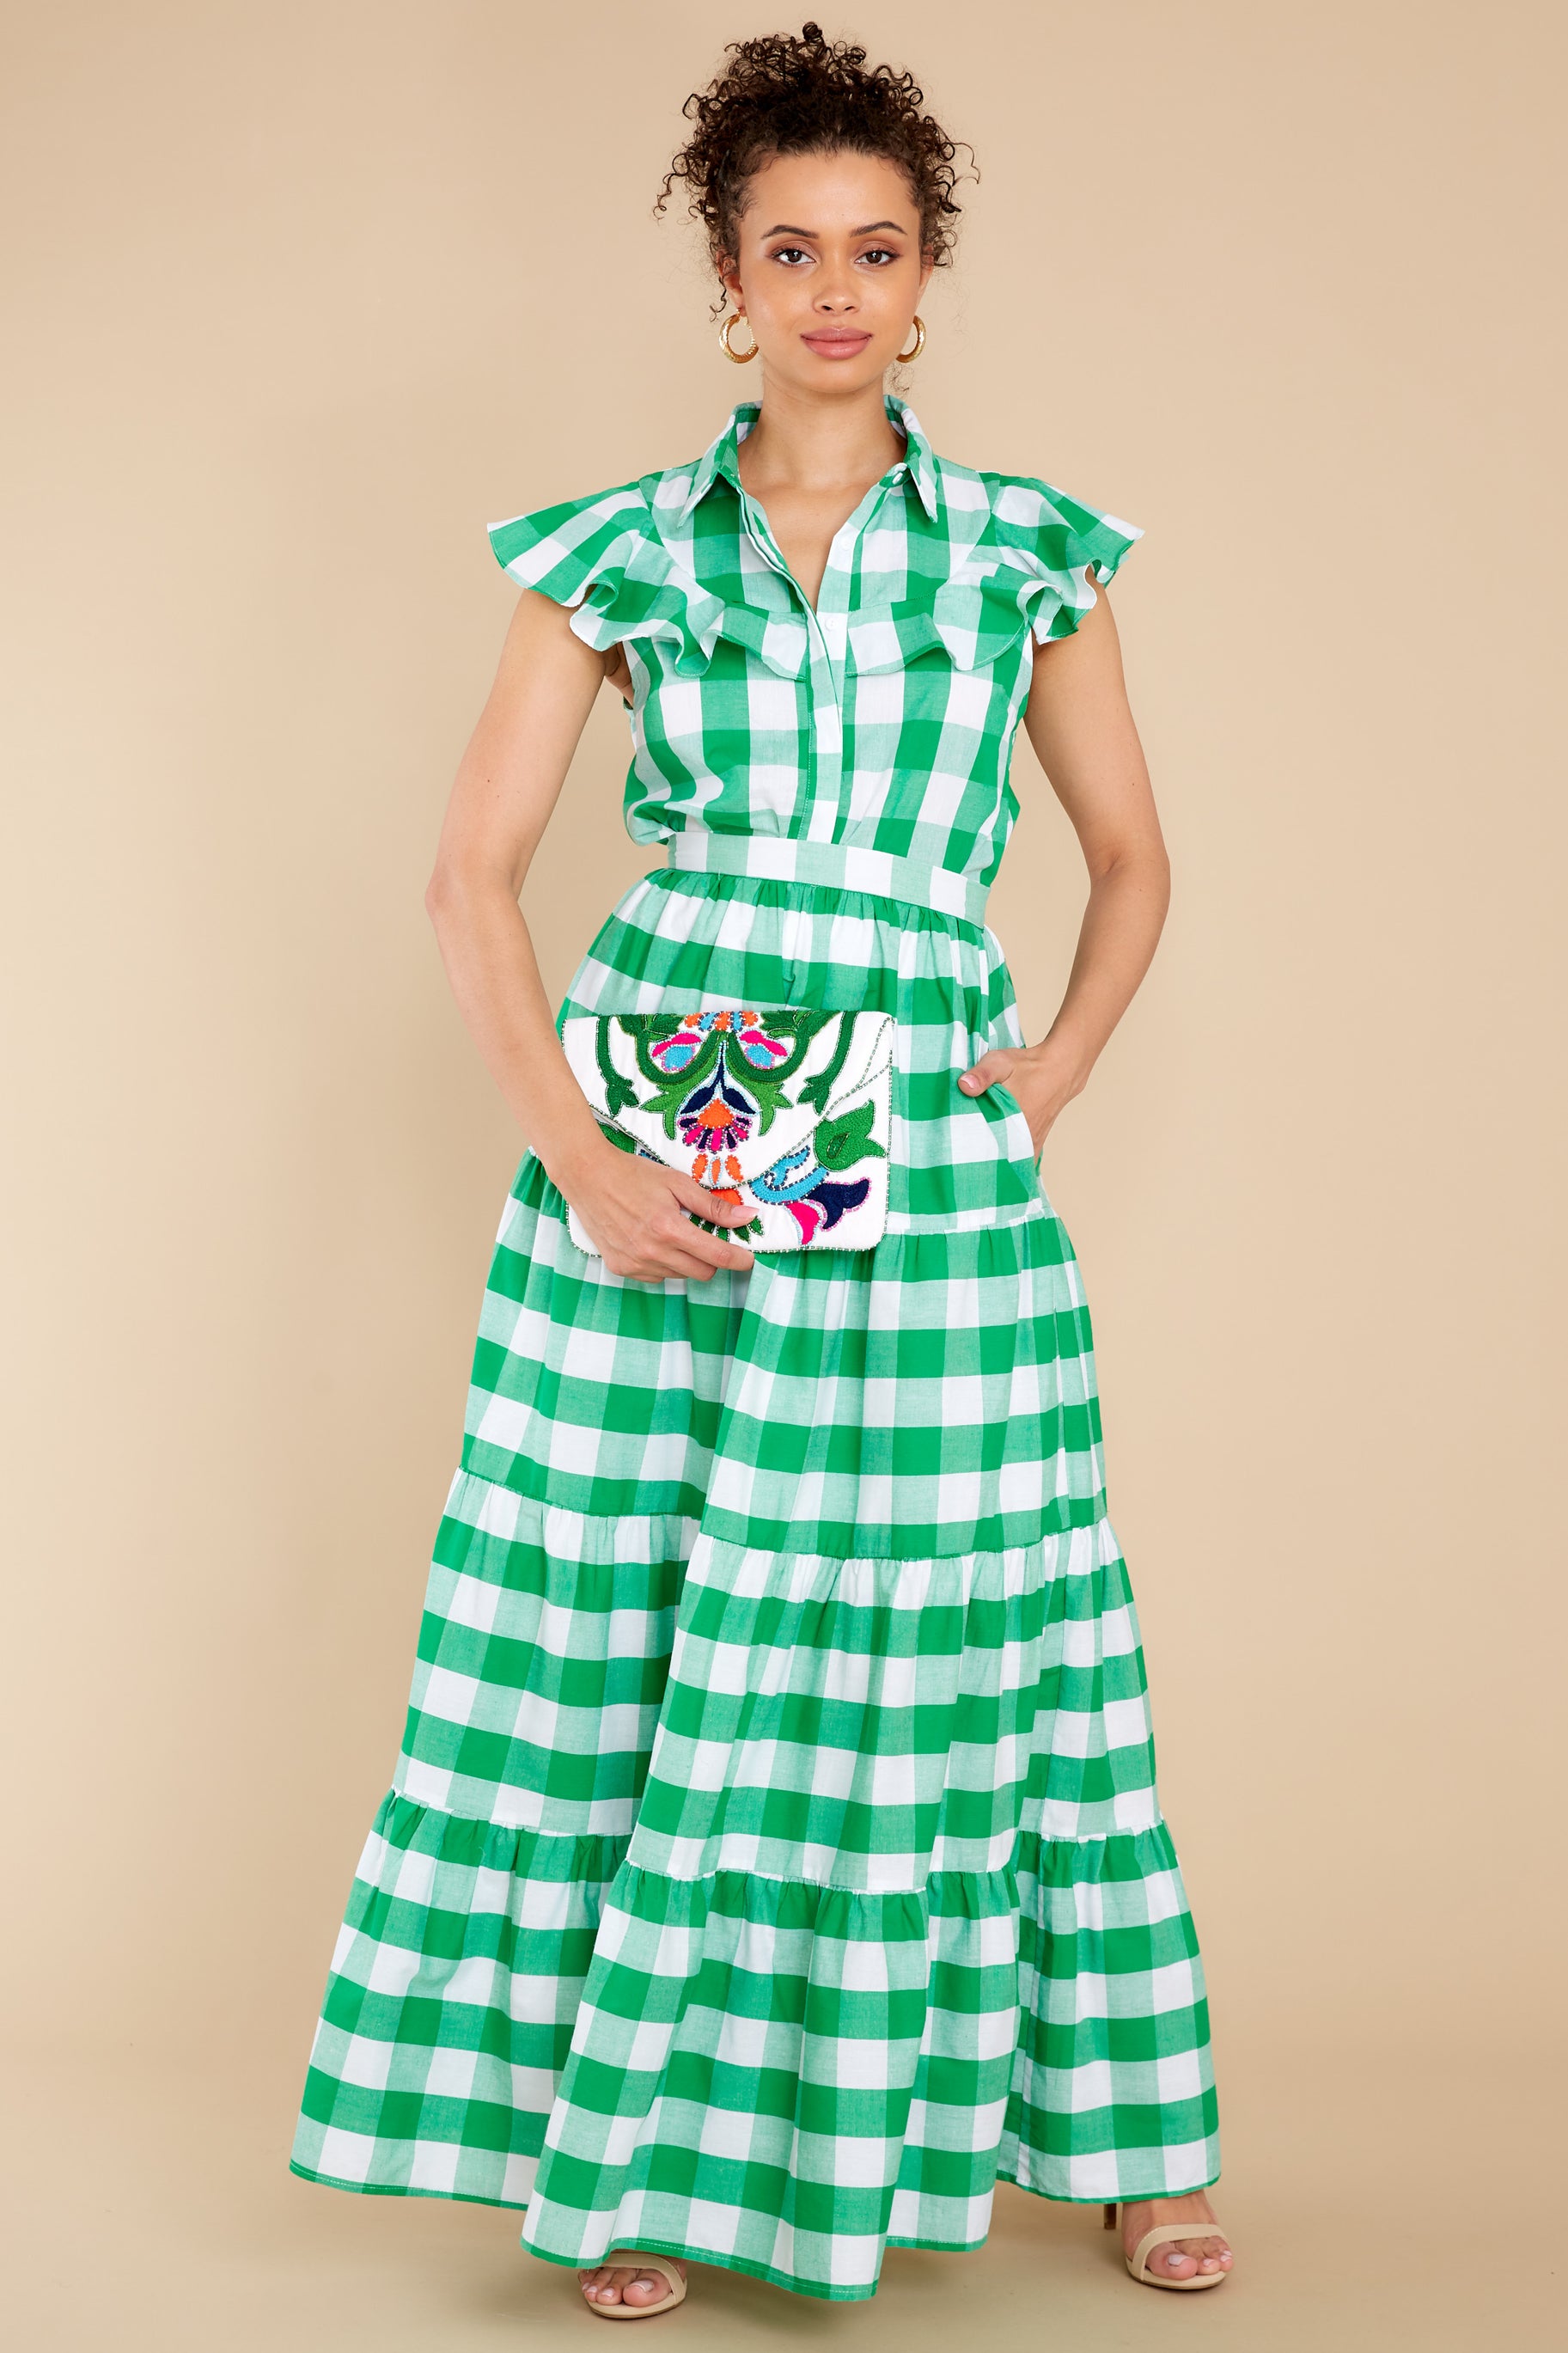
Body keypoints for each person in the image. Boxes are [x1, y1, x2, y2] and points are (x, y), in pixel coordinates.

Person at [290, 21, 1235, 2313]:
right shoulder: (611, 552)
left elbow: (1132, 861)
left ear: (926, 278)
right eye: (790, 250)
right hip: (673, 1117)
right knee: (641, 1617)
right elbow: (468, 877)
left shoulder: (1026, 553)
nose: (835, 290)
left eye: (875, 250)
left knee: (977, 1609)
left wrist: (1049, 1073)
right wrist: (582, 1159)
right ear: (726, 278)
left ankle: (1122, 2139)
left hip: (921, 1124)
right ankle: (631, 2163)